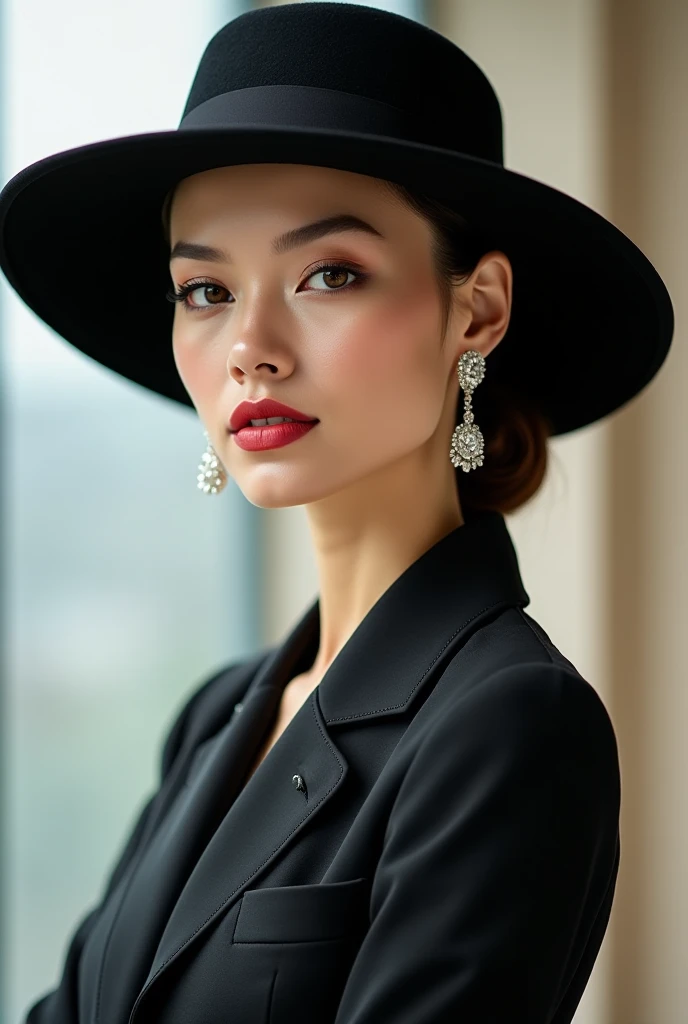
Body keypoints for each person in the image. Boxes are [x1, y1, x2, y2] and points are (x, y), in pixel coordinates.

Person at [0, 3, 673, 1023]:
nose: (250, 345)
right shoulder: (219, 711)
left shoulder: (507, 721)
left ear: (476, 310)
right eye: (204, 288)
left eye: (329, 273)